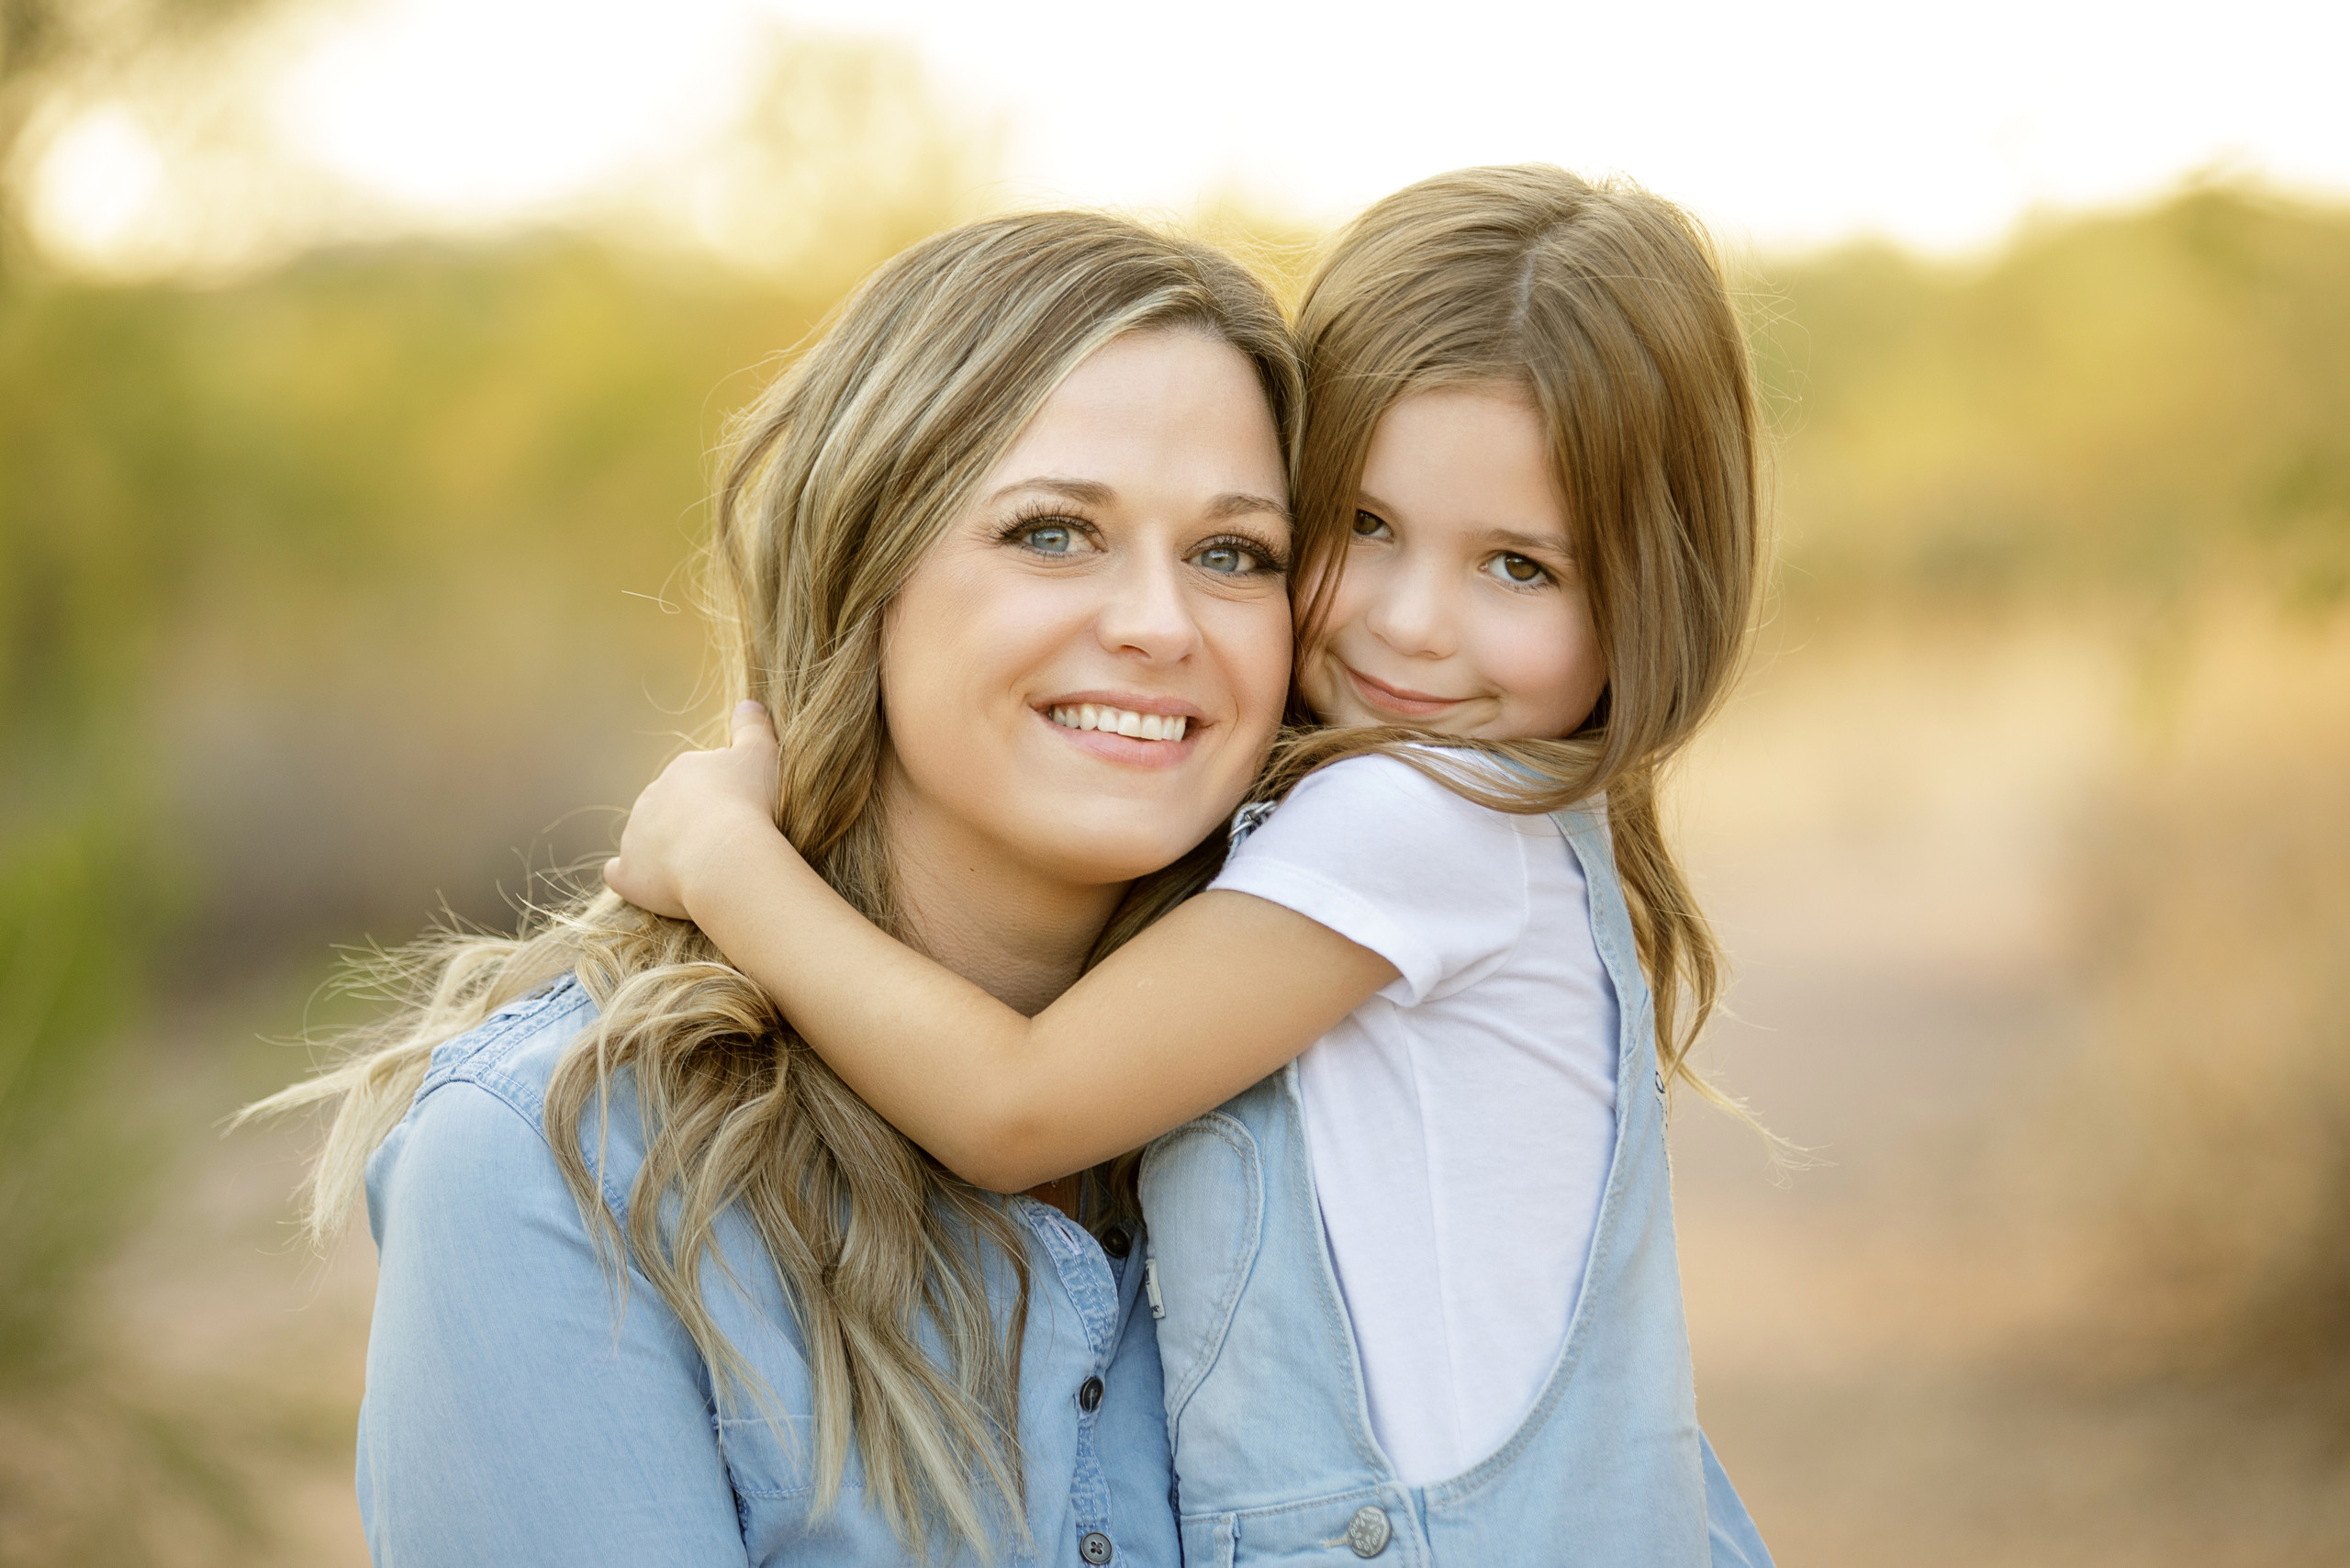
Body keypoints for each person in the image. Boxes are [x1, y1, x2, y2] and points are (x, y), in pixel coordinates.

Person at [604, 164, 1777, 1565]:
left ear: (1655, 593)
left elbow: (1015, 1106)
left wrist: (727, 857)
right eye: (1366, 528)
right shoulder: (1501, 835)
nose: (1411, 627)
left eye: (1520, 567)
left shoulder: (1414, 826)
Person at [243, 209, 1304, 1566]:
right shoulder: (562, 1167)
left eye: (1235, 554)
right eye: (1052, 533)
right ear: (862, 568)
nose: (1162, 622)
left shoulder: (1342, 1109)